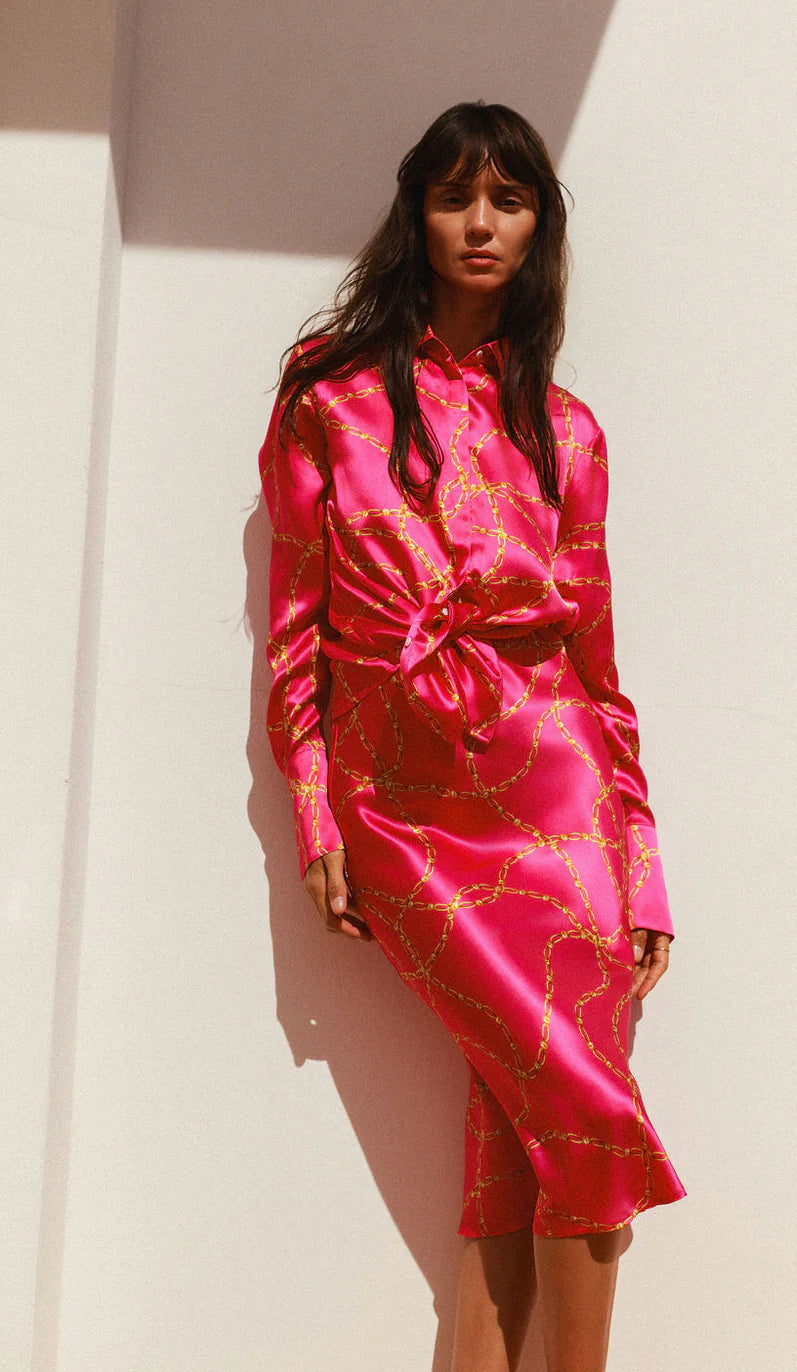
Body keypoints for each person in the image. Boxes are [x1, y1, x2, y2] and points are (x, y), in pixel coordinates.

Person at [258, 101, 686, 1372]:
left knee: (537, 1130)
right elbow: (295, 629)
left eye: (509, 200)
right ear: (419, 215)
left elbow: (596, 667)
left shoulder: (568, 430)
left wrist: (640, 860)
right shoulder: (327, 396)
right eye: (457, 198)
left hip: (562, 806)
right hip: (404, 806)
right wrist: (318, 815)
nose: (482, 224)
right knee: (578, 1109)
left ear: (540, 226)